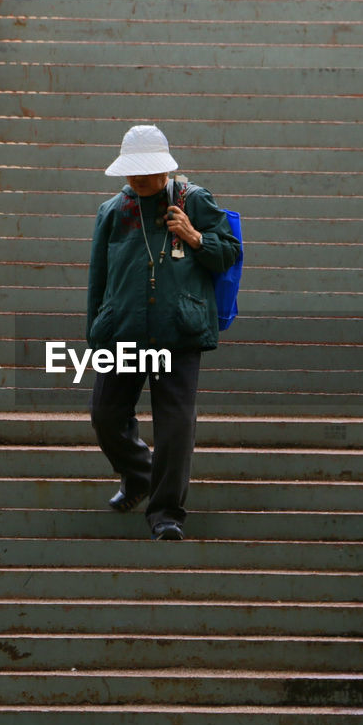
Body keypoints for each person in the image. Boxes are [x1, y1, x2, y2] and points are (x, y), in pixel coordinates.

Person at [86, 125, 241, 540]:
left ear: (165, 169)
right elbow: (97, 279)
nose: (137, 179)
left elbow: (230, 251)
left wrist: (195, 237)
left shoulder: (197, 200)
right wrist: (95, 336)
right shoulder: (113, 212)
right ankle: (140, 477)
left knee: (174, 427)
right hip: (123, 331)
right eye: (131, 171)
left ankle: (166, 514)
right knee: (105, 415)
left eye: (146, 171)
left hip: (178, 331)